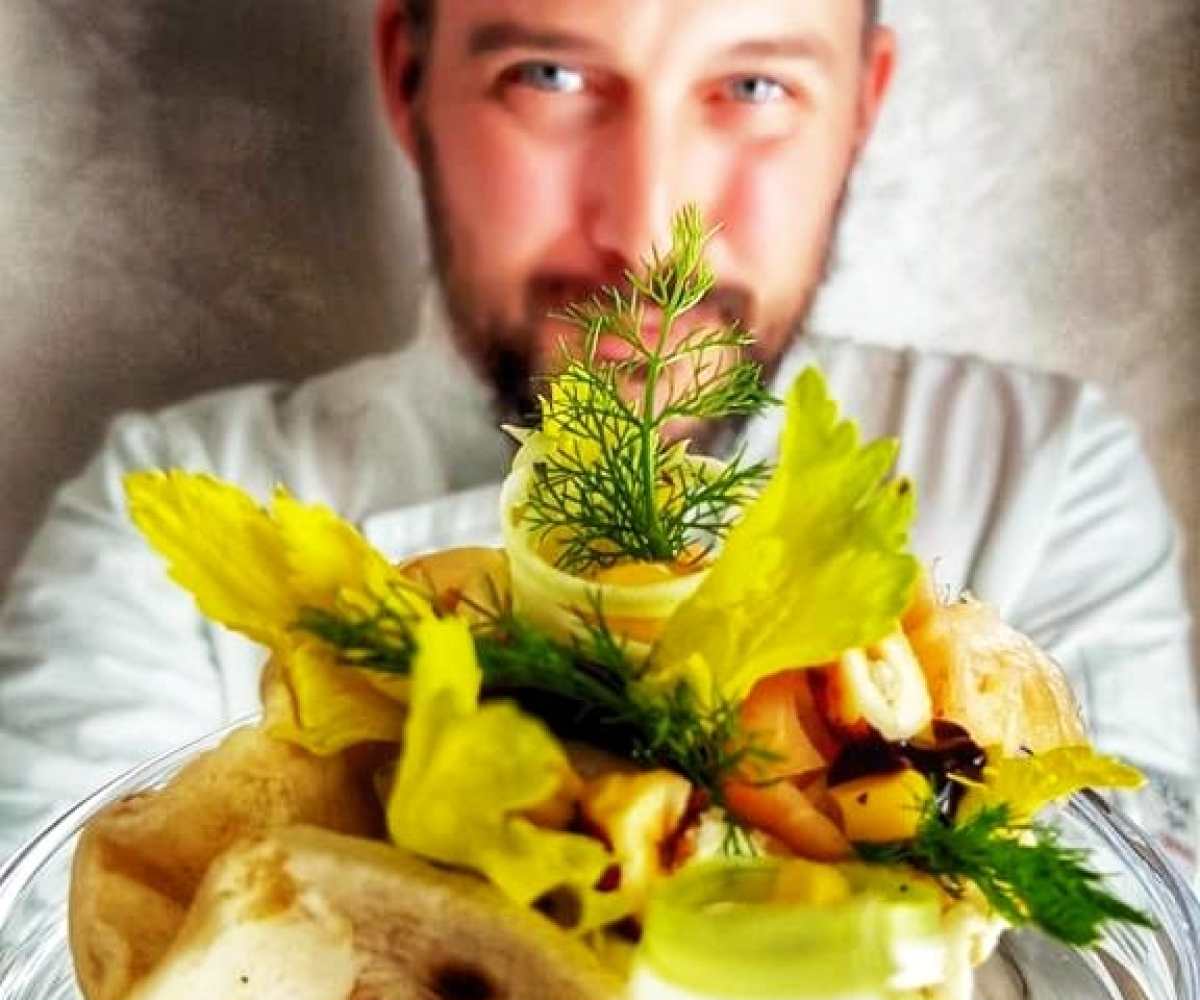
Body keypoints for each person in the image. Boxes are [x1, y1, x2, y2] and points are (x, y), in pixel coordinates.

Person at [0, 0, 1195, 874]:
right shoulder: (160, 514)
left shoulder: (1046, 471)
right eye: (550, 77)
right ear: (407, 77)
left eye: (757, 86)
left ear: (863, 109)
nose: (645, 227)